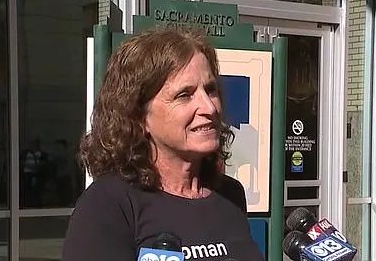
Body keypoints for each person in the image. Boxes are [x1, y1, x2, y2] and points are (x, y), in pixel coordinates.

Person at [62, 25, 265, 261]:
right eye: (184, 95)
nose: (209, 107)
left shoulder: (230, 194)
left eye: (210, 90)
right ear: (139, 115)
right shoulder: (108, 205)